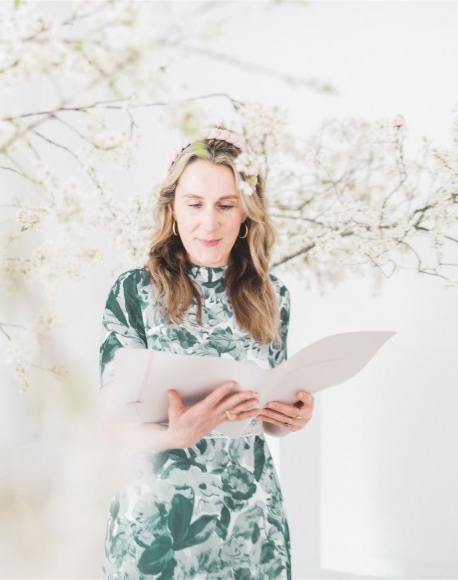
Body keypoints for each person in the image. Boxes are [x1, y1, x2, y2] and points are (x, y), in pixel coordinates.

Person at [98, 126, 315, 579]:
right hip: (158, 524)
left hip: (251, 521)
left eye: (226, 205)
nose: (209, 223)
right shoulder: (134, 292)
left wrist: (288, 417)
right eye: (194, 204)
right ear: (173, 209)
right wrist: (175, 436)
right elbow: (111, 423)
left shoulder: (273, 296)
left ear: (246, 214)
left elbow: (264, 414)